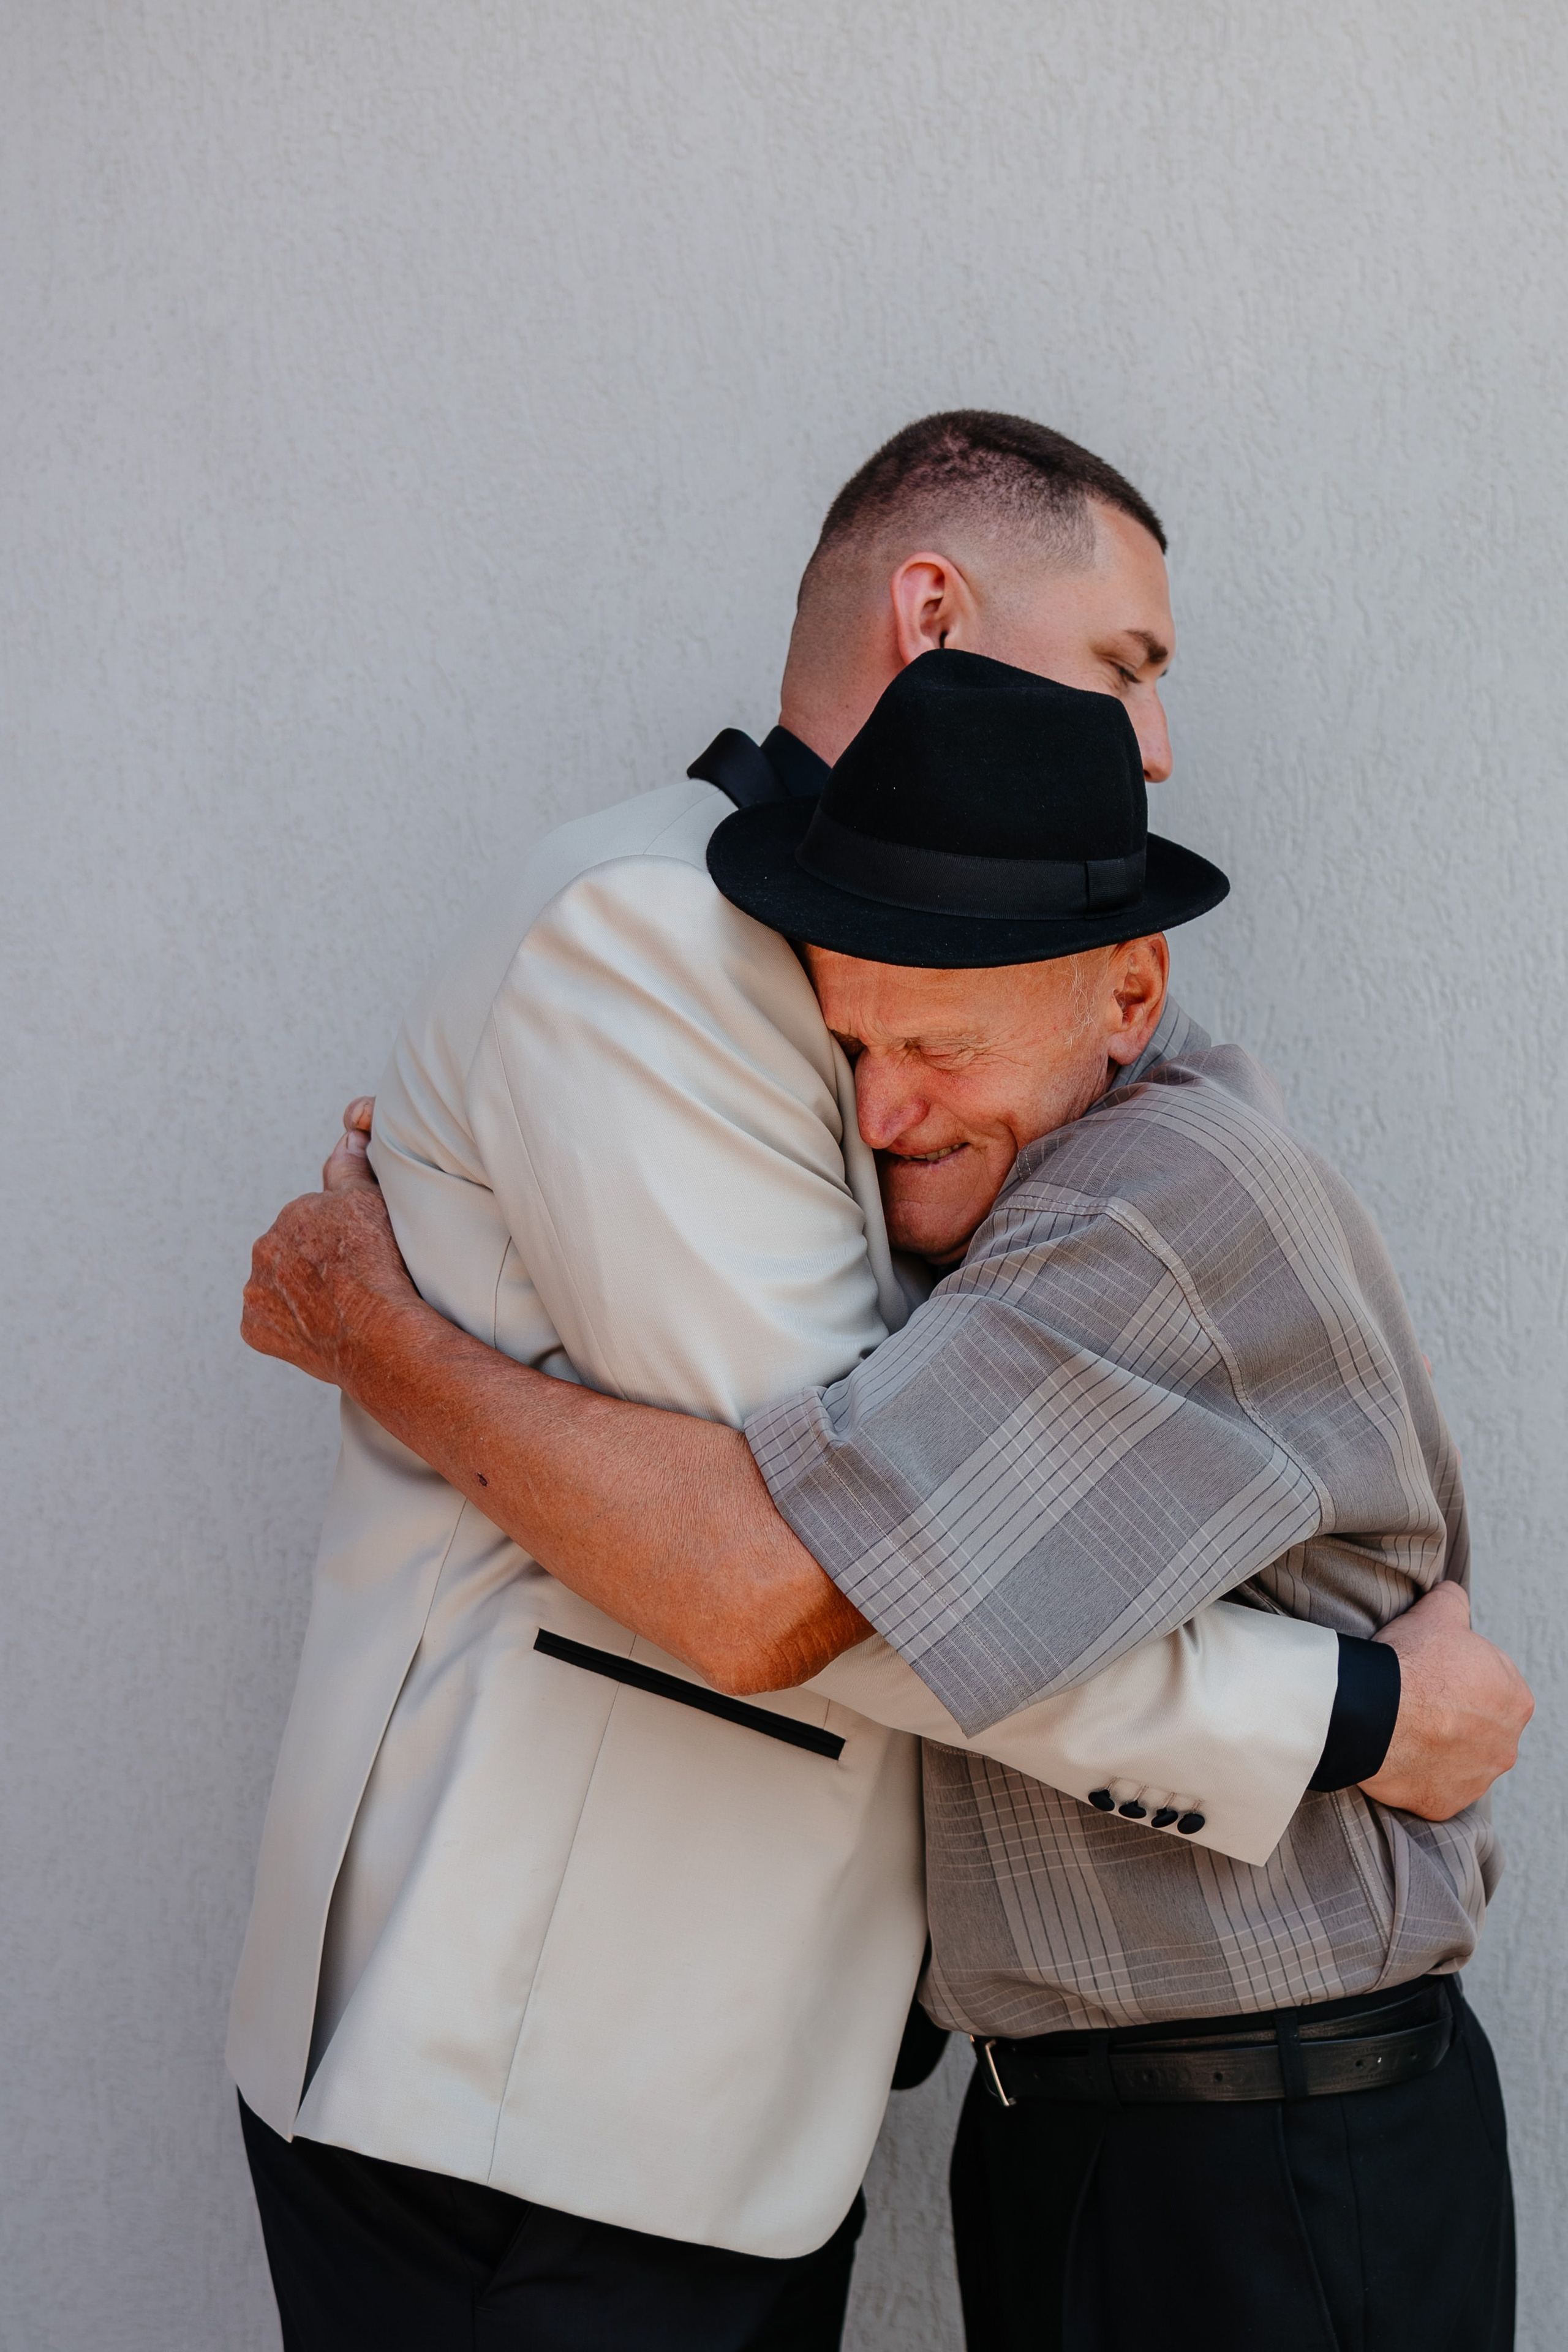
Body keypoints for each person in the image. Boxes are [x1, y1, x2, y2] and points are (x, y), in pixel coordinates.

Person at [236, 417, 1528, 2351]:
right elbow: (807, 1572)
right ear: (935, 616)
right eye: (1127, 666)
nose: (1155, 742)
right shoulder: (656, 941)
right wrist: (1348, 1714)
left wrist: (386, 1340)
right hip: (549, 2078)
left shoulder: (1127, 1127)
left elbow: (887, 1531)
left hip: (733, 2094)